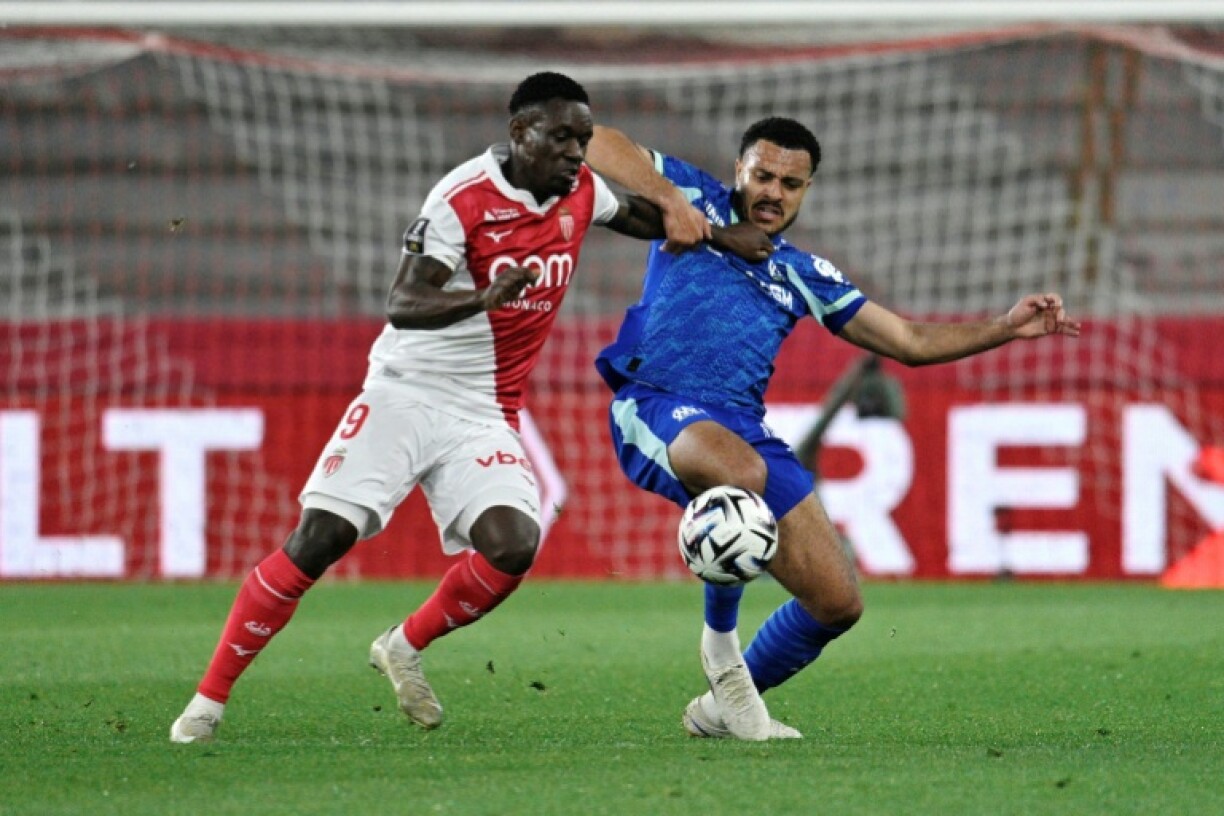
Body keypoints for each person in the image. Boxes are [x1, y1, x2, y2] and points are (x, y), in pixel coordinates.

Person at [169, 71, 763, 743]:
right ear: (519, 132)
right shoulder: (462, 199)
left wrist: (718, 234)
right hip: (406, 389)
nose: (576, 152)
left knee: (513, 545)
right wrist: (480, 299)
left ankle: (403, 644)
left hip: (485, 407)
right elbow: (403, 302)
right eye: (561, 136)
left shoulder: (581, 193)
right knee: (322, 537)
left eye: (583, 138)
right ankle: (207, 703)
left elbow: (642, 218)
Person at [584, 117, 1081, 741]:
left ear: (807, 189)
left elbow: (907, 340)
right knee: (740, 473)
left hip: (741, 427)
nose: (773, 192)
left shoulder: (800, 271)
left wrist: (1005, 326)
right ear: (740, 170)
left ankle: (719, 709)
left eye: (791, 183)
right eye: (762, 175)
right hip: (657, 402)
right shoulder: (697, 197)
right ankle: (720, 647)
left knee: (838, 602)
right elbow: (597, 140)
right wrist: (675, 207)